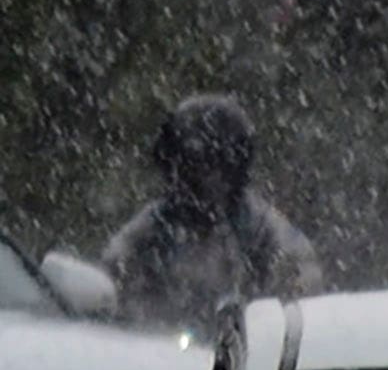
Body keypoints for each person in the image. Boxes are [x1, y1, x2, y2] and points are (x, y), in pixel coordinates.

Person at [100, 95, 326, 334]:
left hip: (241, 359)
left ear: (236, 167)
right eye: (189, 165)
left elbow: (301, 292)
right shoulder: (149, 232)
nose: (200, 179)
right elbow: (108, 285)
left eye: (212, 164)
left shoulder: (262, 233)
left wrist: (266, 326)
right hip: (156, 359)